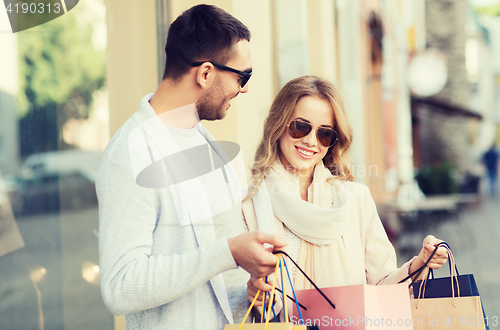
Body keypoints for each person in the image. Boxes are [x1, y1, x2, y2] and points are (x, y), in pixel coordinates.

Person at [97, 5, 286, 330]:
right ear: (206, 73)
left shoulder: (210, 145)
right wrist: (229, 253)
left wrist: (253, 291)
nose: (244, 88)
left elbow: (215, 279)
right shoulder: (129, 153)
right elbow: (120, 286)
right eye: (242, 76)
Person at [242, 76, 448, 316]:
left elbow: (381, 287)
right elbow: (236, 293)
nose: (310, 141)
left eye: (324, 134)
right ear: (279, 125)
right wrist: (257, 297)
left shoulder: (354, 199)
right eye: (300, 126)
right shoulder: (251, 202)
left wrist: (420, 263)